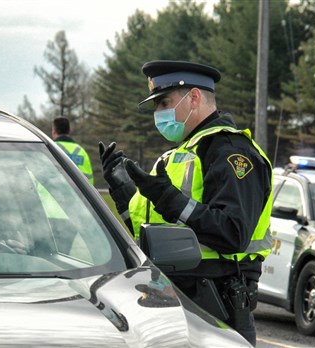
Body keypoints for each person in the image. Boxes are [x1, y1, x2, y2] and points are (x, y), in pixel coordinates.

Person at [99, 60, 273, 346]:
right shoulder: (179, 154)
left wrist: (170, 199)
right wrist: (123, 192)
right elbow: (155, 235)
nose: (158, 113)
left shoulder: (230, 151)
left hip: (215, 311)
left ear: (193, 97)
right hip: (172, 304)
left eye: (163, 102)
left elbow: (233, 233)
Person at [52, 117, 94, 184]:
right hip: (76, 194)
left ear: (54, 131)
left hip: (52, 193)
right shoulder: (81, 151)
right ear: (69, 131)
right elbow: (90, 180)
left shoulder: (50, 149)